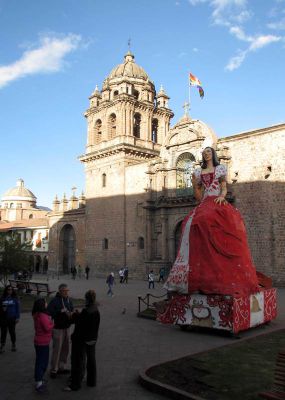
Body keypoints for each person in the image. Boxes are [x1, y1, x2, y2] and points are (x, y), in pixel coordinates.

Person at [164, 147, 260, 297]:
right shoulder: (198, 172)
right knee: (190, 222)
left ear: (213, 154)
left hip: (217, 200)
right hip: (205, 202)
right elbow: (198, 196)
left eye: (209, 151)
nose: (206, 153)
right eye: (204, 152)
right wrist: (195, 184)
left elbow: (223, 187)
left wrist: (222, 196)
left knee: (210, 221)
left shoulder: (220, 169)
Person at [64, 290, 100, 391]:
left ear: (87, 299)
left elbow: (80, 325)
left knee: (77, 361)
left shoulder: (86, 311)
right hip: (92, 338)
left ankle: (75, 384)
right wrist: (79, 315)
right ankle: (91, 381)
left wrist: (74, 316)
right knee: (91, 360)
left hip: (82, 339)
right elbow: (89, 322)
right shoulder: (95, 308)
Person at [47, 283, 74, 378]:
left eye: (67, 291)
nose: (67, 292)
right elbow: (49, 312)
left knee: (65, 349)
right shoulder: (54, 301)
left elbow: (72, 309)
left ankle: (62, 367)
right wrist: (59, 312)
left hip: (67, 327)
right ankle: (54, 369)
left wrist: (71, 313)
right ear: (60, 291)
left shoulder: (68, 300)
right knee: (57, 349)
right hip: (58, 328)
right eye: (65, 291)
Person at [32, 298, 54, 392]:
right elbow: (47, 328)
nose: (46, 303)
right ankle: (39, 383)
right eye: (45, 302)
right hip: (43, 342)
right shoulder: (43, 315)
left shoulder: (36, 314)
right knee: (42, 362)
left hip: (39, 341)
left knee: (40, 361)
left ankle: (39, 379)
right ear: (42, 305)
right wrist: (52, 323)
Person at [0, 285, 20, 353]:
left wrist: (17, 317)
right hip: (4, 318)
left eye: (11, 289)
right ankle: (2, 345)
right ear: (6, 290)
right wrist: (2, 309)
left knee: (12, 332)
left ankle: (13, 344)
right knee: (3, 332)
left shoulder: (15, 298)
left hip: (12, 318)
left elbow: (18, 308)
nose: (10, 291)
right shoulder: (2, 298)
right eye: (8, 289)